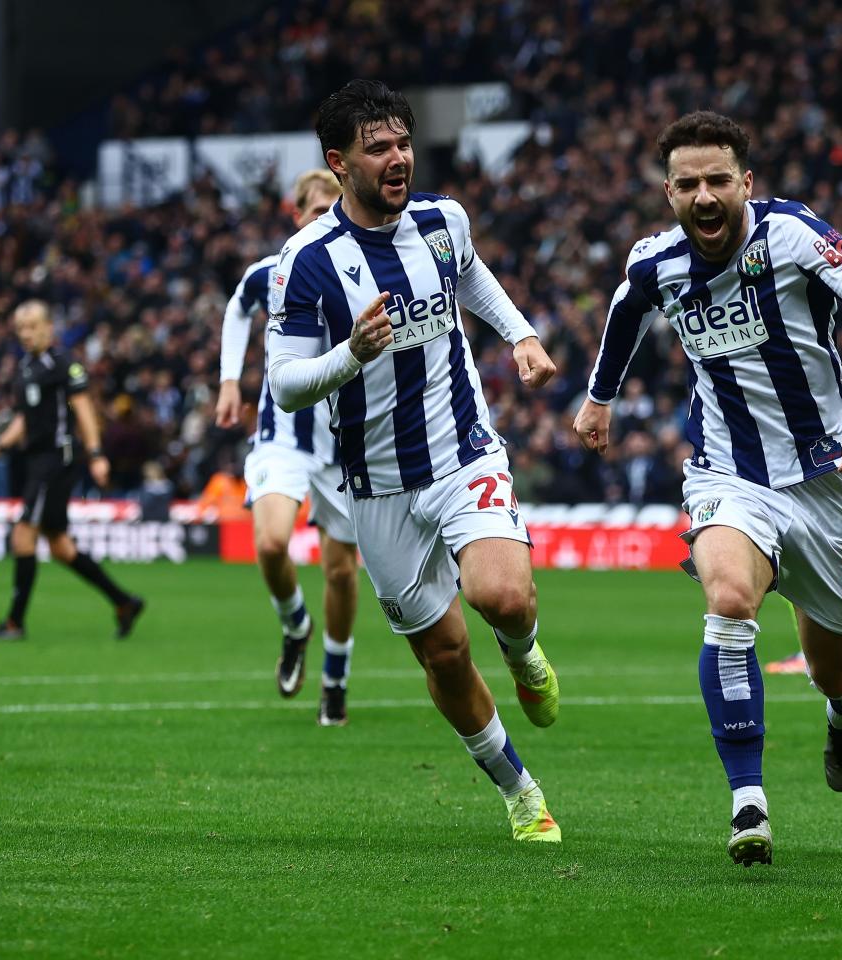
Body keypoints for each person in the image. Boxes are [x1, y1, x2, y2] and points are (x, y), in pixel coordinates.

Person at [574, 111, 842, 865]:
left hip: (827, 478)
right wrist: (600, 397)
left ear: (746, 183)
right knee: (728, 600)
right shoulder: (655, 262)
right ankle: (748, 803)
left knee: (831, 665)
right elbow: (627, 312)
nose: (703, 196)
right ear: (668, 192)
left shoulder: (792, 236)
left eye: (718, 180)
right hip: (727, 470)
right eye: (688, 183)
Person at [265, 79, 562, 842]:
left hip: (463, 451)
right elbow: (287, 384)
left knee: (501, 597)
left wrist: (521, 336)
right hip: (378, 487)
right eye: (379, 149)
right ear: (339, 163)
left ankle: (526, 654)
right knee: (445, 653)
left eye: (403, 143)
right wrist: (350, 354)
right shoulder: (305, 262)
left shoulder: (441, 220)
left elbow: (471, 276)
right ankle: (519, 791)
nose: (398, 159)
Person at [216, 169, 362, 727]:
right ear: (296, 214)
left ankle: (335, 679)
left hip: (348, 440)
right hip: (284, 433)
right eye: (316, 208)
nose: (326, 217)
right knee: (273, 542)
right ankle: (295, 622)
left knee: (342, 571)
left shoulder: (363, 267)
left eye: (335, 208)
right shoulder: (273, 270)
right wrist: (230, 380)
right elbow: (237, 306)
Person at [0, 301, 145, 641]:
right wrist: (0, 446)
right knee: (60, 547)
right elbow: (24, 419)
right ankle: (124, 602)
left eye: (33, 326)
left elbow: (83, 409)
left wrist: (96, 454)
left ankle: (14, 624)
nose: (27, 333)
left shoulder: (63, 364)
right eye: (21, 328)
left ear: (50, 327)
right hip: (37, 461)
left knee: (23, 534)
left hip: (56, 460)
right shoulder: (26, 367)